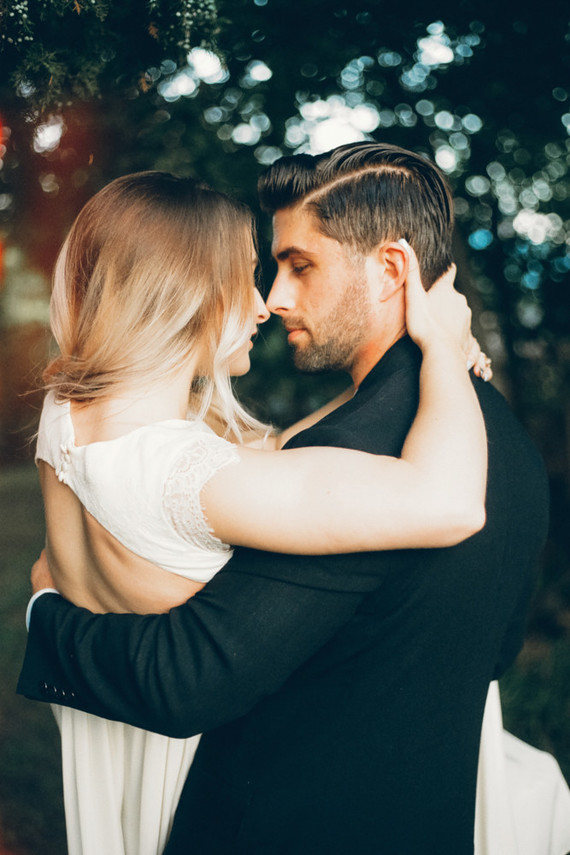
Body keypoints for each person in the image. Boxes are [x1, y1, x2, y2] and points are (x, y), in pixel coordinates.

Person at [18, 144, 549, 854]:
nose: (271, 298)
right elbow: (496, 644)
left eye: (298, 265)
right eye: (264, 271)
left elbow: (188, 671)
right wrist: (448, 355)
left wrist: (44, 612)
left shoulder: (70, 411)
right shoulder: (498, 433)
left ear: (392, 269)